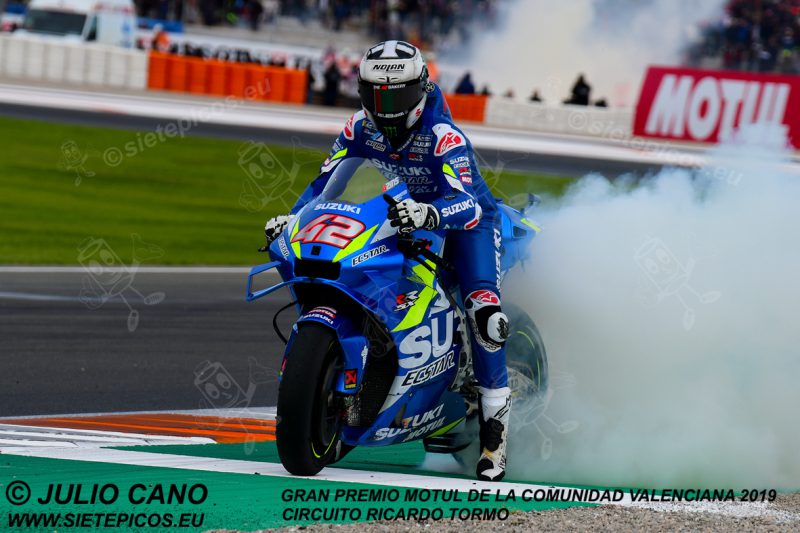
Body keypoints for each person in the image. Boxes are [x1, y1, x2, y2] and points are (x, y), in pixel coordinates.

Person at [261, 40, 512, 482]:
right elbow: (325, 182)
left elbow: (469, 204)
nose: (386, 106)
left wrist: (429, 213)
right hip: (404, 215)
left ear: (420, 88)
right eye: (377, 95)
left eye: (396, 96)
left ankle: (495, 434)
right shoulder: (359, 126)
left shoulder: (443, 137)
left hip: (462, 221)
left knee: (484, 312)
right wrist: (295, 217)